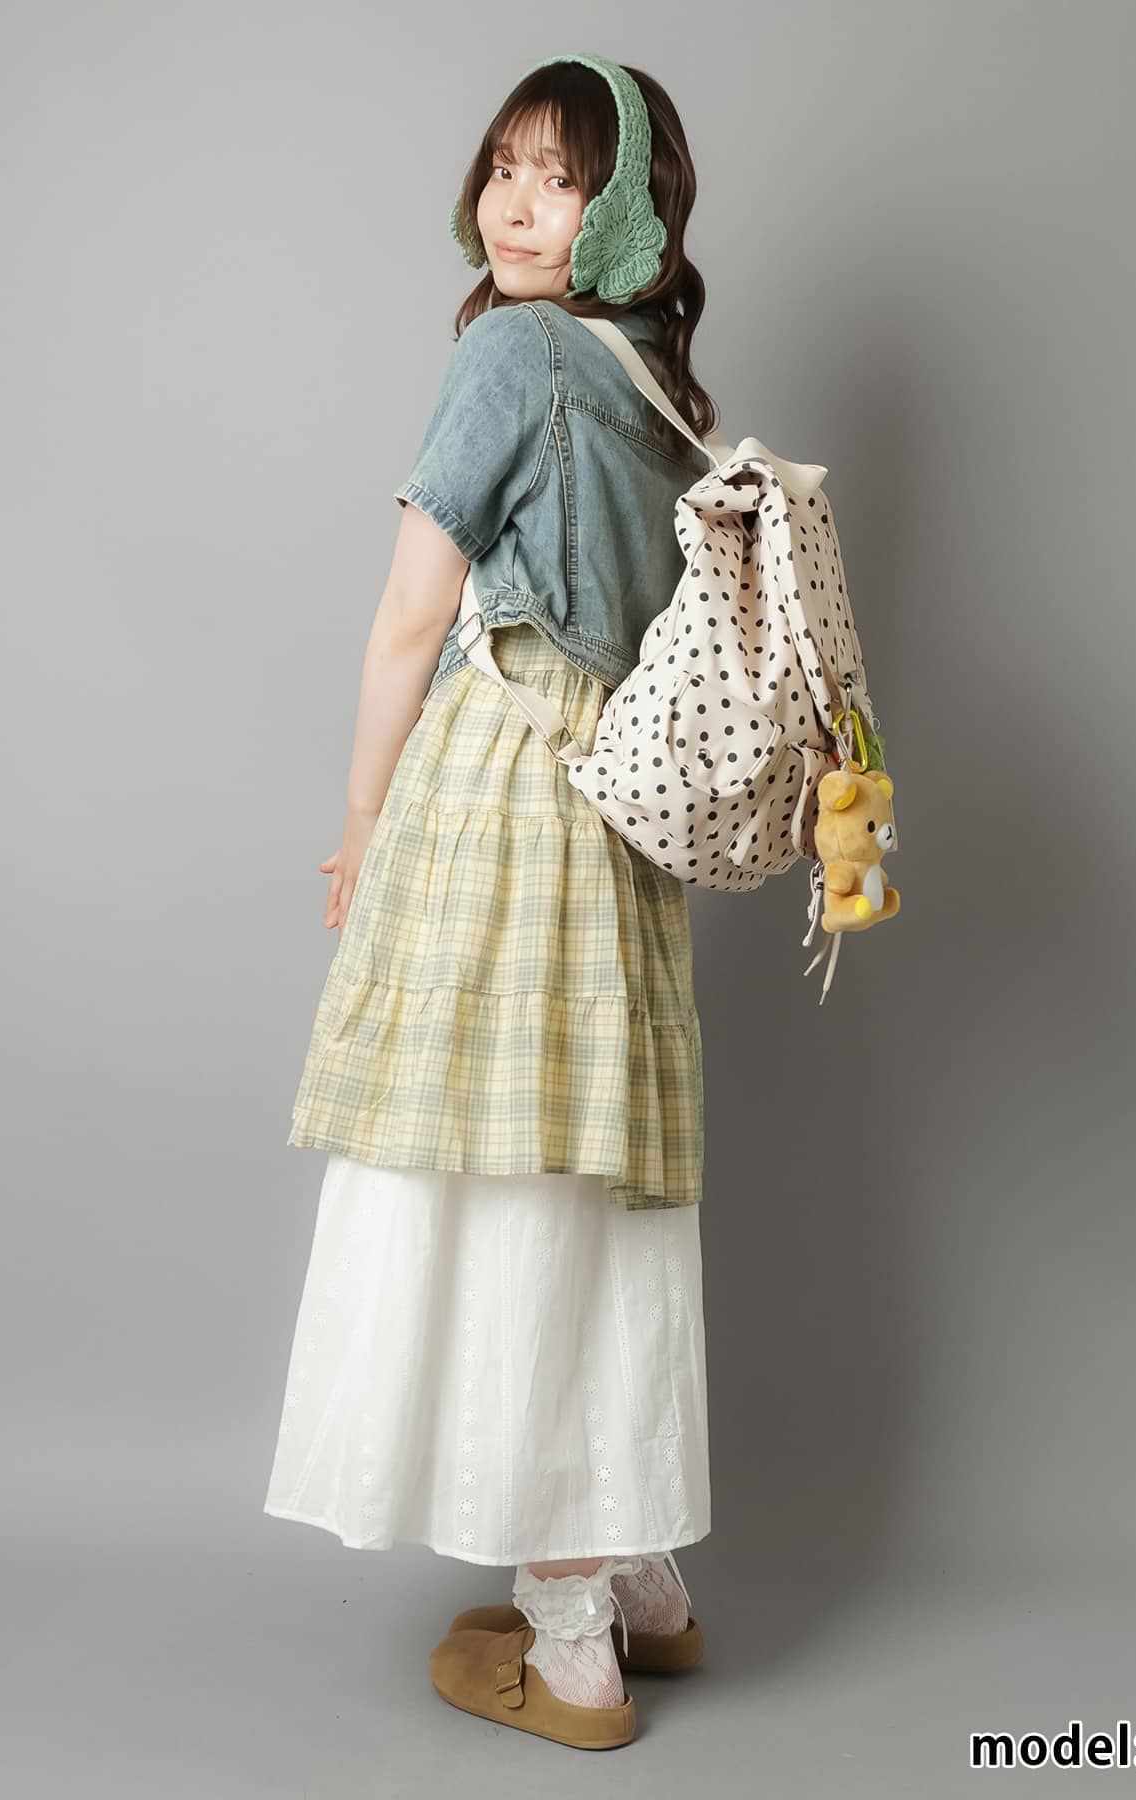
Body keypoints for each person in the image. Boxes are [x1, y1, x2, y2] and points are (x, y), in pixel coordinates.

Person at [262, 53, 722, 1752]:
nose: (518, 204)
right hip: (621, 818)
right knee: (597, 1179)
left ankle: (571, 1638)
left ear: (624, 213)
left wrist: (361, 817)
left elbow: (410, 617)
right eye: (505, 166)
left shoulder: (512, 355)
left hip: (508, 793)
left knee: (499, 1185)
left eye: (562, 178)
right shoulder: (659, 380)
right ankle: (642, 1580)